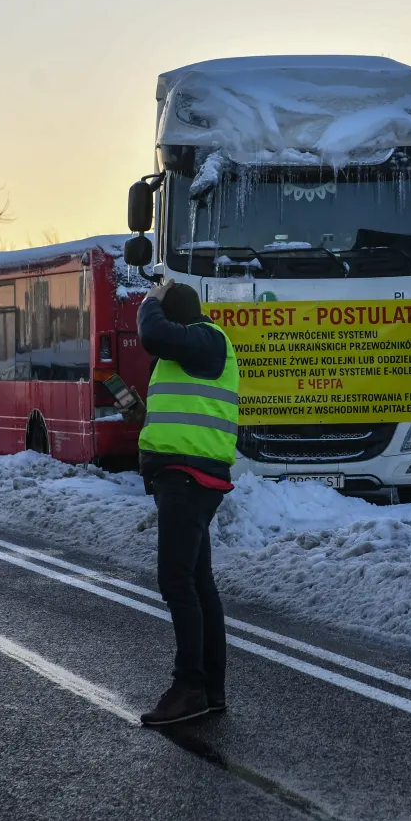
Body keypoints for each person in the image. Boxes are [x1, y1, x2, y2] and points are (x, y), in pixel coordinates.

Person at [135, 277, 238, 726]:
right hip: (186, 476)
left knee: (177, 582)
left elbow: (152, 333)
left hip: (188, 478)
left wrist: (149, 300)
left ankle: (189, 686)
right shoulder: (191, 352)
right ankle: (209, 688)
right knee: (197, 584)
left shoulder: (207, 338)